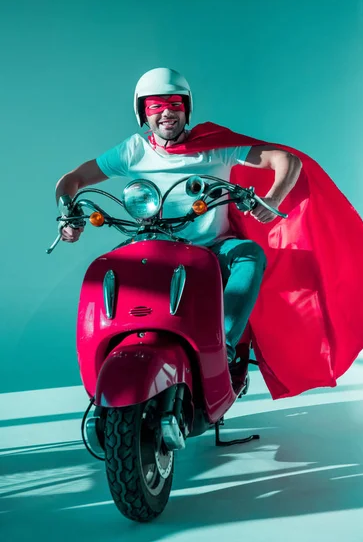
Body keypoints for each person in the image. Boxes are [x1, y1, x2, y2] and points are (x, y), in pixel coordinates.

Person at [55, 67, 302, 364]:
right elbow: (73, 180)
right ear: (143, 113)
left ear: (187, 108)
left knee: (249, 255)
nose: (166, 113)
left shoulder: (215, 148)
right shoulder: (133, 150)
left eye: (174, 104)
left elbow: (286, 160)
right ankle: (106, 351)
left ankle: (221, 346)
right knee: (105, 269)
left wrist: (272, 198)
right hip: (150, 244)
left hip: (212, 248)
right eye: (155, 106)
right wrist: (66, 214)